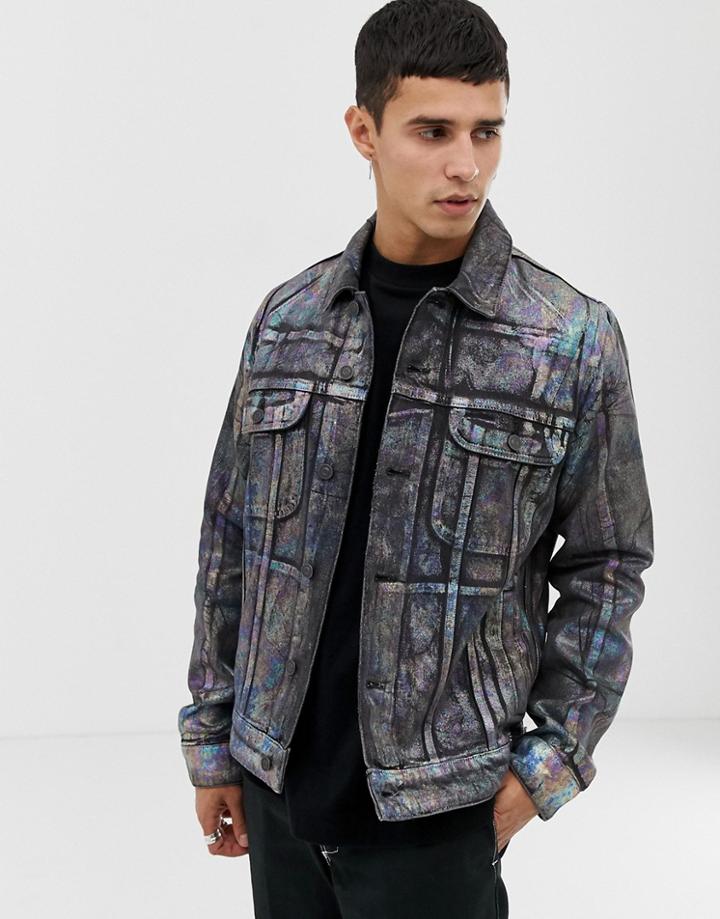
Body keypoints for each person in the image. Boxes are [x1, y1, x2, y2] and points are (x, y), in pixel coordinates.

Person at [177, 2, 655, 916]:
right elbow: (229, 541)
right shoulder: (288, 321)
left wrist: (547, 766)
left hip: (442, 810)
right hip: (277, 789)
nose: (465, 163)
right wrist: (213, 740)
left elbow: (609, 563)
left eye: (486, 131)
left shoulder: (568, 340)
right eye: (433, 131)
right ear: (364, 131)